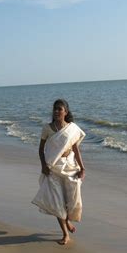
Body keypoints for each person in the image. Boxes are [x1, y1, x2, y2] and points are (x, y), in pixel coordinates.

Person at [32, 99, 86, 245]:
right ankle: (65, 234)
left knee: (72, 198)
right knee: (57, 201)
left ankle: (67, 219)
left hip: (69, 166)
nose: (56, 111)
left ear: (66, 112)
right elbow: (41, 149)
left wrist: (82, 168)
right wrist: (43, 165)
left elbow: (76, 149)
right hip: (52, 167)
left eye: (59, 109)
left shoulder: (72, 128)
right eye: (55, 109)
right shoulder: (47, 128)